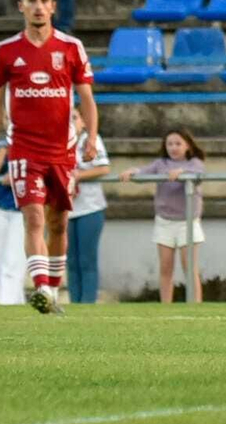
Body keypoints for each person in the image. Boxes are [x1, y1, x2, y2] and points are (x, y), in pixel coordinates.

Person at [0, 0, 97, 315]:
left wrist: (90, 137)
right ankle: (42, 286)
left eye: (44, 0)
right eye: (31, 0)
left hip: (63, 150)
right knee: (33, 217)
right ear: (21, 6)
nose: (38, 7)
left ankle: (54, 291)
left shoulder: (71, 48)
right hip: (24, 149)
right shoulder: (6, 51)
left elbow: (86, 98)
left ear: (54, 6)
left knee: (58, 221)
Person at [120, 130, 207, 303]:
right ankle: (165, 305)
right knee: (166, 267)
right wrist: (133, 172)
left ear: (187, 145)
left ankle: (196, 304)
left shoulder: (194, 163)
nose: (173, 148)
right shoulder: (161, 163)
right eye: (170, 144)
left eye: (178, 144)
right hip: (165, 221)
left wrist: (182, 172)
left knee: (189, 267)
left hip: (187, 222)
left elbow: (197, 173)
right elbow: (145, 172)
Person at [64, 107, 109, 305]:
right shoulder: (58, 143)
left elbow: (104, 168)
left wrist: (78, 175)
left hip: (90, 207)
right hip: (66, 208)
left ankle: (88, 303)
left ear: (83, 121)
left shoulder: (90, 141)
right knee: (71, 261)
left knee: (86, 259)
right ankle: (75, 302)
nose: (70, 122)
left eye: (74, 118)